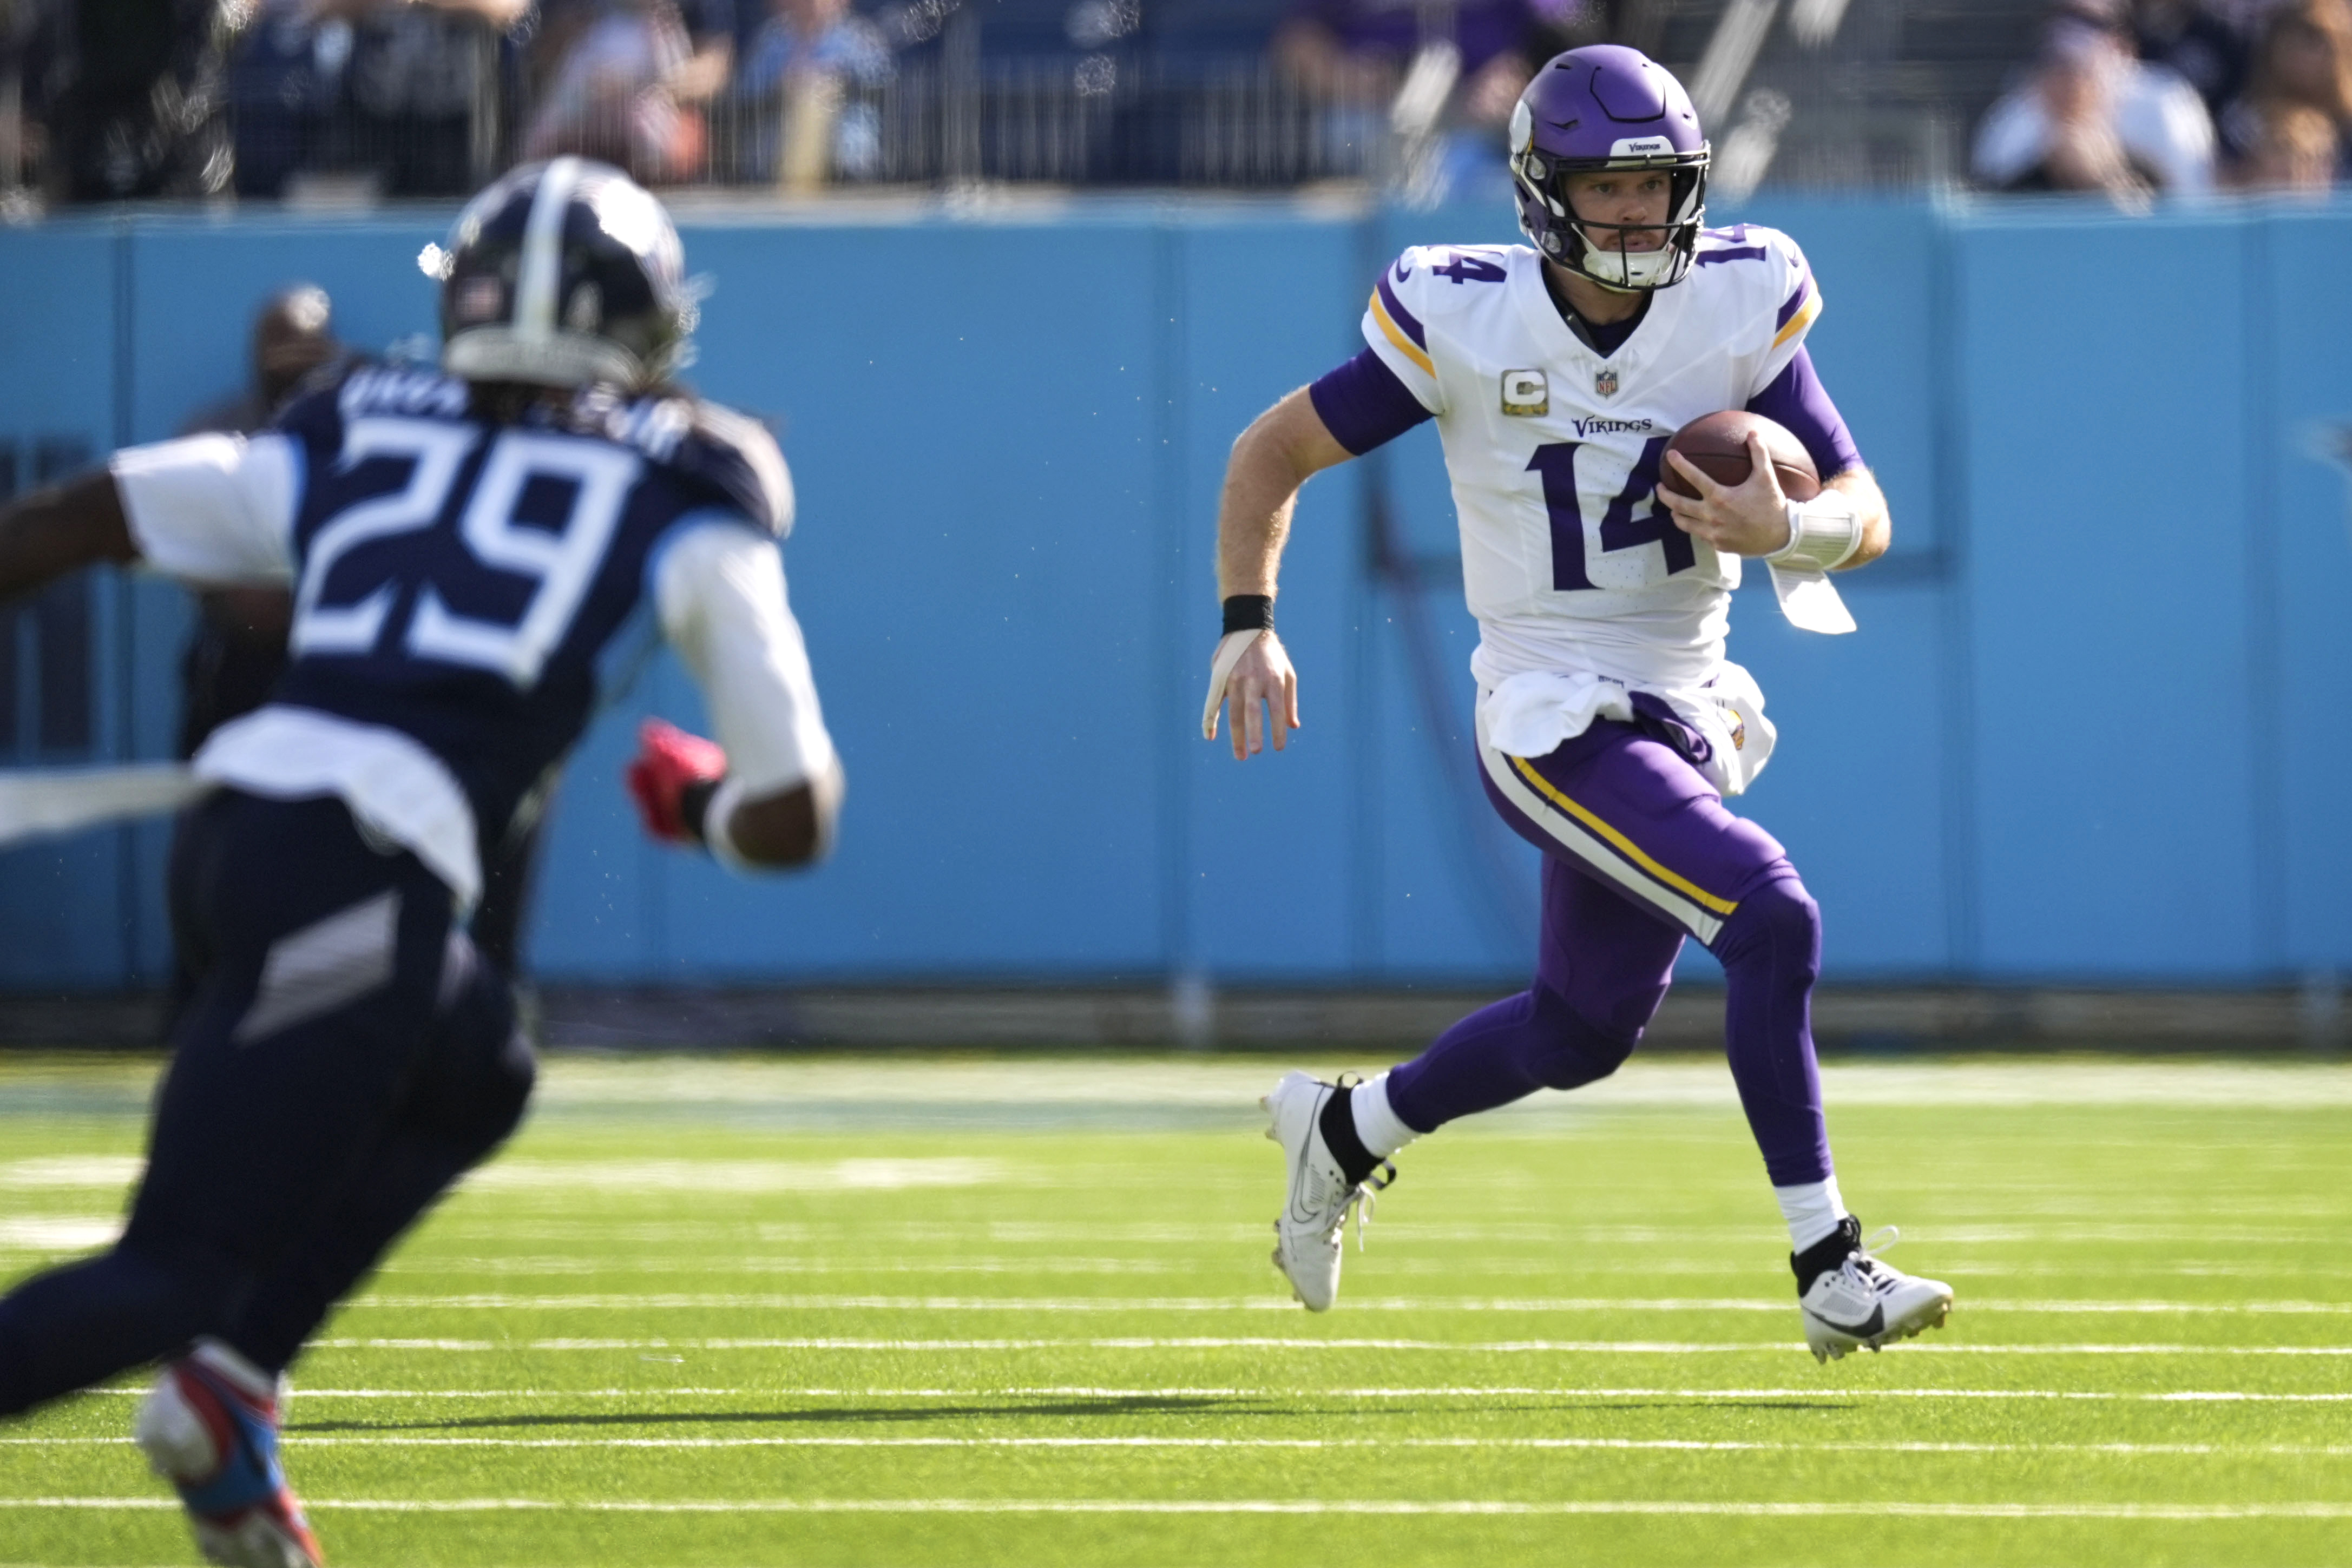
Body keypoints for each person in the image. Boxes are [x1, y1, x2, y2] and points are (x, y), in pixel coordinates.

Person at [0, 157, 843, 1568]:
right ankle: (211, 1359)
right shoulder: (692, 492)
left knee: (479, 1065)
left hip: (240, 846)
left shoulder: (348, 429)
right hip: (355, 883)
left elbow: (82, 516)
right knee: (172, 1269)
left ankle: (227, 1389)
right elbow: (796, 812)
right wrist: (701, 811)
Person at [1205, 44, 1953, 1364]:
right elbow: (1269, 455)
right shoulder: (1459, 314)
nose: (1632, 216)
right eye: (1605, 189)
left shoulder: (1734, 299)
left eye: (1654, 188)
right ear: (1542, 190)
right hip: (1548, 704)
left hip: (1681, 696)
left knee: (1579, 1029)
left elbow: (1864, 509)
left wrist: (1791, 530)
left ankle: (1342, 1128)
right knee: (1770, 915)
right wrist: (1246, 628)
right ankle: (1828, 1266)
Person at [1973, 0, 2217, 198]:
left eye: (2091, 24)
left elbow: (2195, 209)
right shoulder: (2016, 117)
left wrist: (2111, 178)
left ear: (2125, 47)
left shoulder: (2166, 106)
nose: (2072, 34)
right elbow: (1992, 216)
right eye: (2065, 20)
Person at [2219, 0, 2352, 185]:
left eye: (2315, 42)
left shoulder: (2347, 123)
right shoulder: (2243, 121)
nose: (2304, 57)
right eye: (2292, 42)